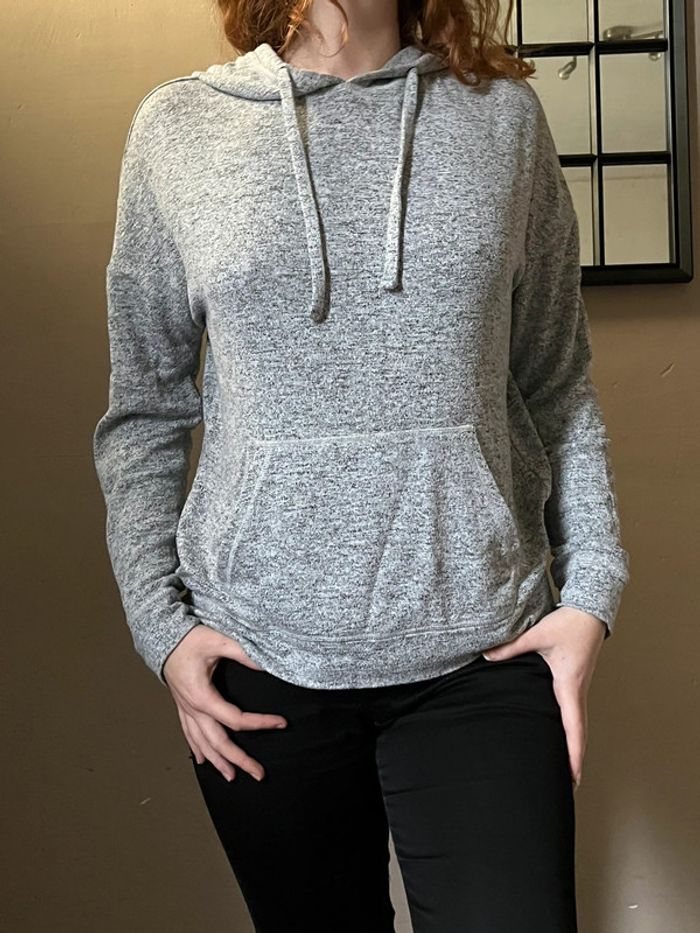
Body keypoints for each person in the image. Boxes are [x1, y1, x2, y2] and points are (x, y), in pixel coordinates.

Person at [92, 1, 631, 930]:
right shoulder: (180, 128)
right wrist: (161, 627)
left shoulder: (501, 118)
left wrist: (592, 593)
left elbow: (556, 383)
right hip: (260, 660)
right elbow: (144, 409)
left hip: (483, 650)